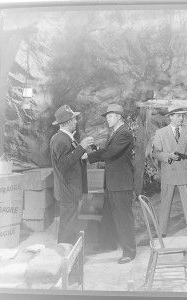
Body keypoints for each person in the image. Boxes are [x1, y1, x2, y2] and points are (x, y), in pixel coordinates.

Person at [88, 104, 137, 264]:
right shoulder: (115, 132)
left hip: (121, 184)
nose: (107, 119)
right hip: (113, 182)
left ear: (118, 116)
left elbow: (110, 153)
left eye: (109, 116)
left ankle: (129, 252)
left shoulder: (124, 133)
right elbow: (109, 151)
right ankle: (107, 244)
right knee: (108, 215)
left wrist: (89, 156)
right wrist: (96, 150)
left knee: (124, 218)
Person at [152, 105, 187, 243]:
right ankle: (161, 232)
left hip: (186, 172)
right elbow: (155, 153)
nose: (181, 118)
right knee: (165, 204)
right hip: (169, 172)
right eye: (178, 115)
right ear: (171, 117)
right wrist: (168, 156)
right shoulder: (161, 133)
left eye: (182, 115)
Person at [50, 105, 94, 244]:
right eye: (74, 119)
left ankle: (68, 255)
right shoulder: (61, 139)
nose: (76, 122)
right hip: (68, 191)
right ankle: (66, 257)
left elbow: (67, 160)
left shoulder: (65, 138)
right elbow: (63, 165)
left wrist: (80, 154)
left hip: (68, 190)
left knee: (69, 225)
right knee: (68, 227)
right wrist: (81, 147)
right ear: (68, 122)